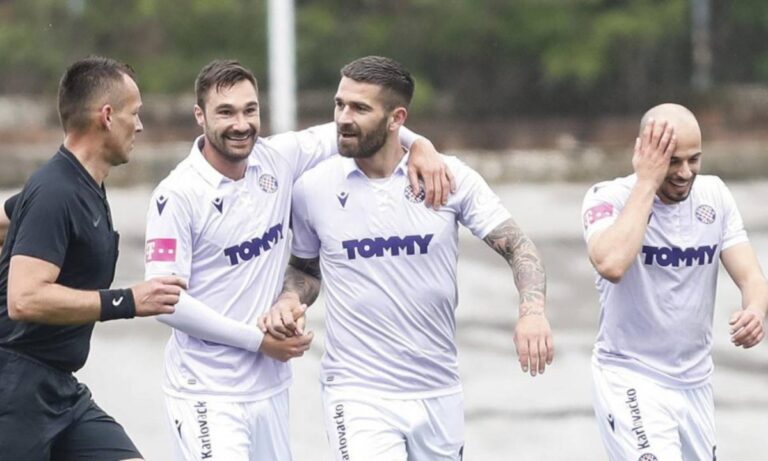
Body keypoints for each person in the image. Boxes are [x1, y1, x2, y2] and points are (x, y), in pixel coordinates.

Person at [143, 59, 451, 461]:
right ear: (199, 116)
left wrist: (421, 145)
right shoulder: (176, 195)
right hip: (205, 394)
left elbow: (361, 126)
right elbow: (165, 303)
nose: (241, 124)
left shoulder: (278, 157)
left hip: (270, 389)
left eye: (250, 110)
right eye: (226, 112)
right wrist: (258, 341)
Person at [260, 55, 554, 460]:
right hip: (356, 392)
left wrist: (532, 312)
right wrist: (290, 299)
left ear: (396, 118)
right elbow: (305, 268)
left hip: (438, 389)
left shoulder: (447, 178)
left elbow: (518, 246)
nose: (343, 118)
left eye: (359, 108)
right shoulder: (312, 188)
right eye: (339, 104)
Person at [0, 56, 186, 461]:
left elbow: (8, 221)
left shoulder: (77, 184)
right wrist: (127, 301)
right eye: (134, 113)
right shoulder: (56, 192)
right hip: (13, 393)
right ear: (107, 116)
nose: (140, 126)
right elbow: (24, 299)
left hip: (60, 392)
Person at [581, 103, 768, 460]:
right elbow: (611, 263)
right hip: (630, 376)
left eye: (694, 160)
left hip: (695, 382)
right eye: (672, 161)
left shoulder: (715, 196)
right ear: (644, 153)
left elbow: (752, 277)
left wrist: (756, 312)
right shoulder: (607, 197)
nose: (684, 173)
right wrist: (646, 183)